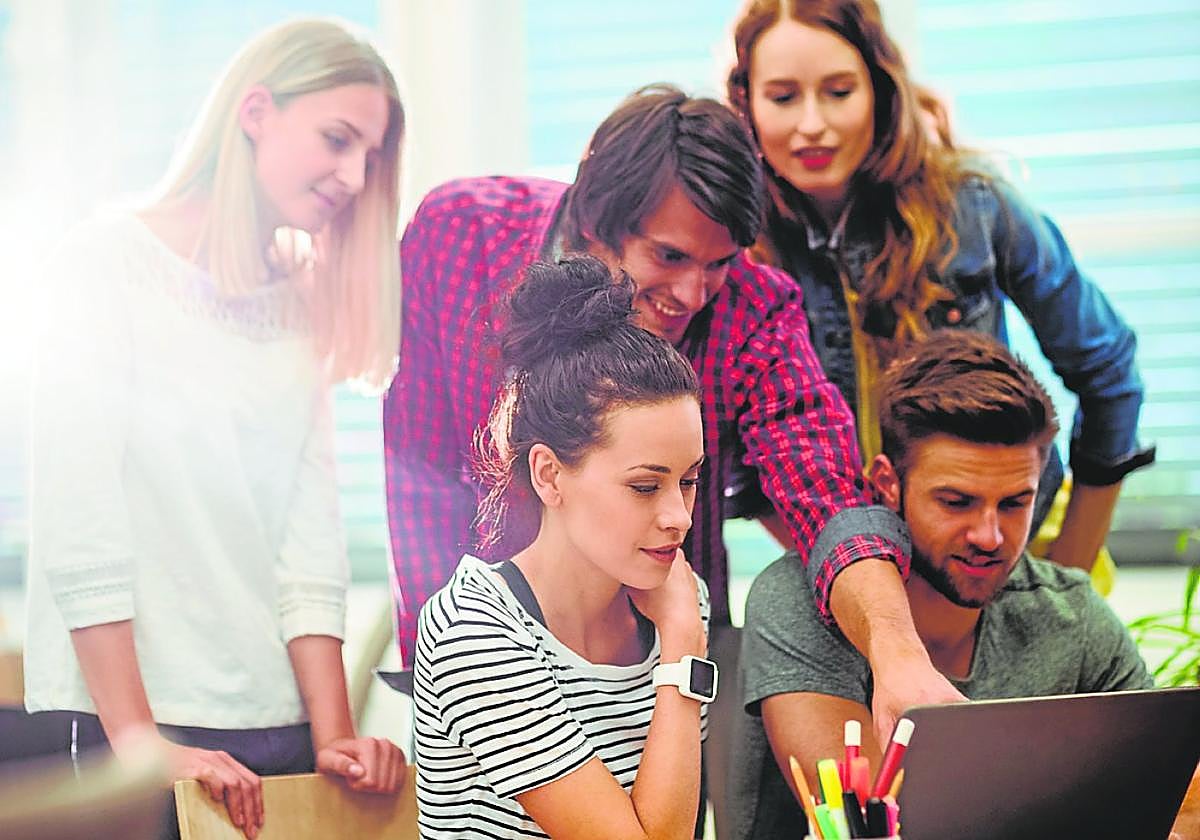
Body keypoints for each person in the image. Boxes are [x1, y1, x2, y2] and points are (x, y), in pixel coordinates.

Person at [385, 84, 964, 759]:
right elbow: (418, 466)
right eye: (669, 257)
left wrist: (897, 655)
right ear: (596, 219)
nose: (693, 294)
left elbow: (826, 489)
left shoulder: (756, 308)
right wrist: (441, 659)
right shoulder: (462, 234)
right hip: (488, 656)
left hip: (655, 670)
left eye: (720, 262)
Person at [24, 19, 407, 839]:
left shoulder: (301, 302)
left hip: (275, 727)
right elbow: (79, 525)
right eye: (337, 139)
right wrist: (139, 742)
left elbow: (308, 544)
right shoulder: (99, 265)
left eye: (368, 157)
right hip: (136, 728)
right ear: (257, 110)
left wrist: (333, 735)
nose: (352, 175)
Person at [726, 0, 1155, 575]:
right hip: (850, 580)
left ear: (880, 89)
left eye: (838, 91)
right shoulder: (732, 249)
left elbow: (1109, 370)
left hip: (1004, 558)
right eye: (783, 96)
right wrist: (850, 570)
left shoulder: (975, 208)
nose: (811, 123)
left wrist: (1071, 565)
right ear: (746, 104)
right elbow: (739, 455)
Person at [730, 330, 1166, 839]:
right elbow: (880, 827)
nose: (990, 536)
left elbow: (1167, 797)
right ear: (888, 484)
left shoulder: (1072, 615)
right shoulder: (801, 601)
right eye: (956, 502)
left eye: (1014, 503)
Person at [414, 255, 712, 838]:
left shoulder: (679, 599)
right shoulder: (473, 630)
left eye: (690, 480)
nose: (677, 517)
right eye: (645, 486)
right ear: (549, 475)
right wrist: (681, 651)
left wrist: (680, 638)